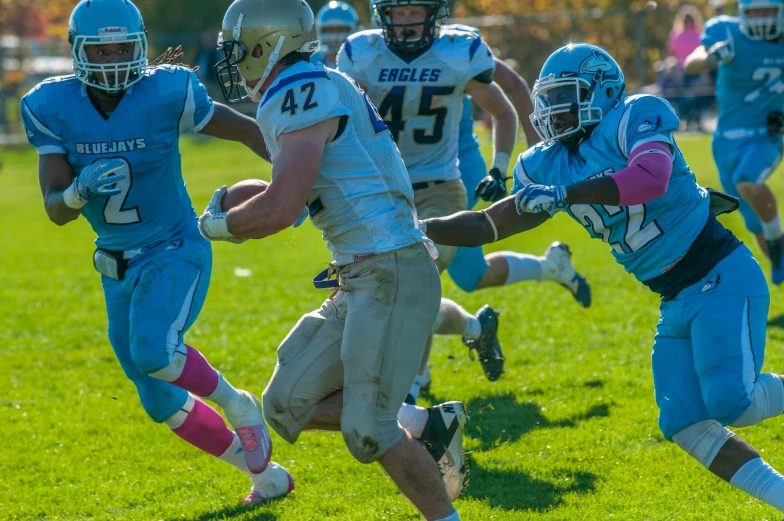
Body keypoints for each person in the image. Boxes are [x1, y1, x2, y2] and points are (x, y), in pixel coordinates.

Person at [422, 42, 784, 513]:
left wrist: (563, 194)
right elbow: (488, 223)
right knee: (684, 422)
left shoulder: (635, 116)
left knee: (730, 402)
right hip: (674, 296)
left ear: (602, 90)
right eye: (546, 99)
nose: (551, 110)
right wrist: (417, 229)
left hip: (719, 271)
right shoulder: (544, 163)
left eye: (563, 97)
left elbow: (650, 177)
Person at [200, 0, 467, 515]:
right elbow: (299, 194)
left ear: (267, 43)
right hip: (361, 272)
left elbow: (280, 209)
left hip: (389, 267)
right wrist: (241, 200)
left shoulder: (301, 93)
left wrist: (214, 226)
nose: (233, 61)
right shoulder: (310, 85)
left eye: (239, 49)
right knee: (283, 404)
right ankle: (428, 425)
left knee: (369, 431)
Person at [20, 0, 290, 506]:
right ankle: (266, 477)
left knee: (152, 350)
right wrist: (76, 193)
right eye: (103, 50)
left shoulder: (168, 90)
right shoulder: (49, 105)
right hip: (115, 262)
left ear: (141, 45)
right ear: (78, 52)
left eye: (125, 47)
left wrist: (296, 183)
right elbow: (55, 208)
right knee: (156, 396)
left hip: (174, 247)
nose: (116, 59)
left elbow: (250, 130)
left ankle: (240, 405)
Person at [338, 0, 518, 388]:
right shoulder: (361, 53)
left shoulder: (458, 52)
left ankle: (410, 390)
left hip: (440, 190)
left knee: (412, 283)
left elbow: (503, 111)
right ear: (383, 16)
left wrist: (499, 167)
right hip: (381, 190)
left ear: (434, 13)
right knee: (385, 291)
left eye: (413, 11)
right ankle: (473, 326)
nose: (405, 22)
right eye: (397, 13)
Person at [684, 0, 784, 283]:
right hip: (726, 139)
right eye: (754, 11)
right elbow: (691, 63)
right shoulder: (726, 32)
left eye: (768, 10)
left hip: (766, 134)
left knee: (747, 179)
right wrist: (711, 56)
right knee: (755, 223)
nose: (761, 18)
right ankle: (778, 255)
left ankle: (778, 239)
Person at [312, 1, 359, 68]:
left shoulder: (364, 61)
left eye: (341, 29)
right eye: (330, 29)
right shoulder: (311, 61)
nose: (335, 35)